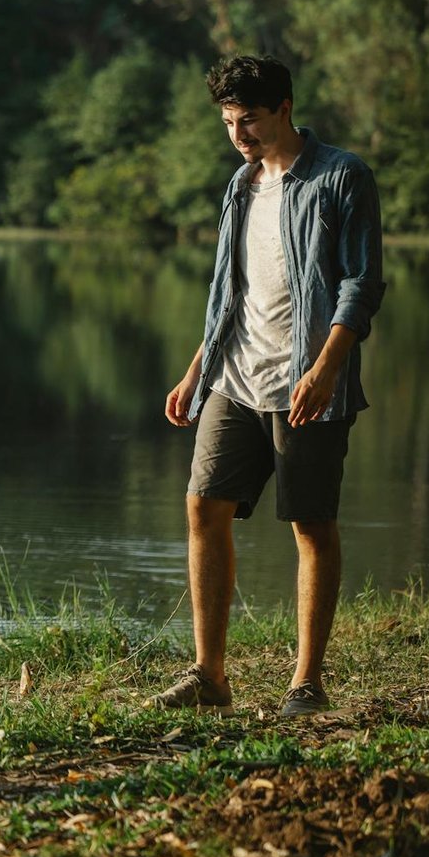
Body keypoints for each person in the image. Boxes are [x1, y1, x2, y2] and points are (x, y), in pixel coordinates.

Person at [154, 54, 385, 718]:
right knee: (204, 508)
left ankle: (306, 683)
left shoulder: (342, 177)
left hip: (306, 383)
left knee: (311, 524)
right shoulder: (241, 185)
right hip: (235, 376)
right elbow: (231, 291)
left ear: (284, 107)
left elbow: (361, 286)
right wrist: (198, 368)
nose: (240, 135)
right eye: (229, 122)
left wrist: (327, 367)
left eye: (249, 119)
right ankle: (210, 676)